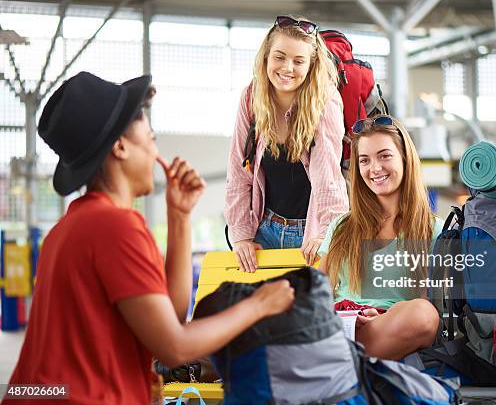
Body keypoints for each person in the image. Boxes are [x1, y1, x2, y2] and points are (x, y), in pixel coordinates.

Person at [3, 72, 294, 405]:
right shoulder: (115, 227)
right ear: (121, 146)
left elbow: (165, 316)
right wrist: (258, 305)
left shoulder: (72, 226)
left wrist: (179, 217)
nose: (157, 151)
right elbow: (175, 347)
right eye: (152, 137)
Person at [225, 15, 349, 272]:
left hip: (309, 235)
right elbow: (238, 172)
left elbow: (328, 177)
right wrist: (241, 236)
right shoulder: (251, 97)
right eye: (280, 57)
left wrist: (326, 235)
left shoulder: (324, 101)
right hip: (265, 229)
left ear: (311, 65)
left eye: (298, 61)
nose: (287, 68)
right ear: (266, 57)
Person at [317, 115, 443, 360]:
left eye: (384, 156)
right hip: (338, 326)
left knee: (424, 314)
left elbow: (432, 306)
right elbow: (318, 293)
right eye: (365, 160)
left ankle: (324, 363)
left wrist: (384, 317)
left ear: (405, 159)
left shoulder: (432, 230)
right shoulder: (342, 226)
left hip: (391, 327)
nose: (375, 168)